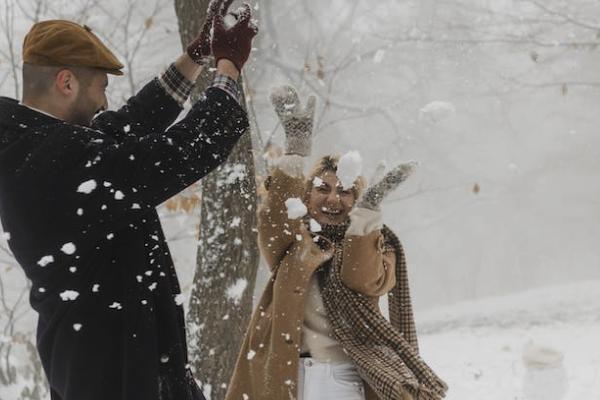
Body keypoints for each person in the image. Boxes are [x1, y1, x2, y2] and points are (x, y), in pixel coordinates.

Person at [0, 1, 257, 399]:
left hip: (109, 369)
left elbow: (124, 127)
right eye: (100, 88)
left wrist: (196, 55)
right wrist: (228, 67)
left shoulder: (32, 148)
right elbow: (181, 152)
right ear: (66, 83)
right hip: (117, 379)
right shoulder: (58, 163)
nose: (104, 103)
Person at [224, 87, 447, 400]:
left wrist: (368, 213)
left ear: (355, 201)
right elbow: (273, 220)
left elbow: (360, 275)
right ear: (307, 195)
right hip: (285, 380)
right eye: (322, 188)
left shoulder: (378, 244)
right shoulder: (294, 244)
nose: (332, 198)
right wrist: (296, 150)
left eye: (345, 191)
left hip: (343, 382)